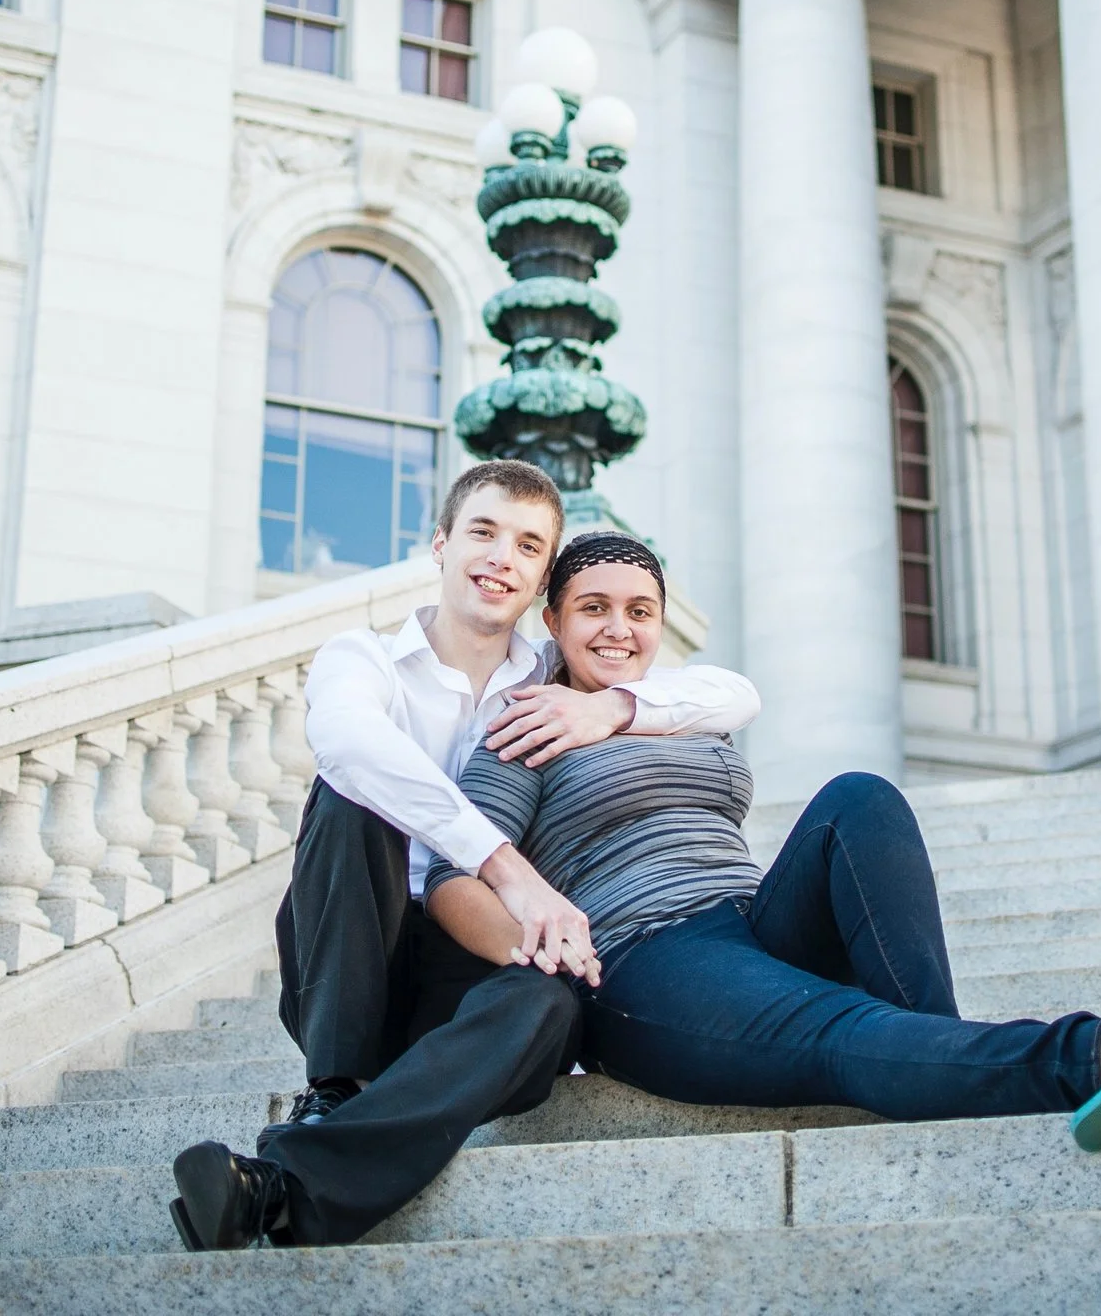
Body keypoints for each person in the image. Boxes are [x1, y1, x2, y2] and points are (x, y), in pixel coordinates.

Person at [425, 530, 1101, 1150]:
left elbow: (735, 694)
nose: (619, 629)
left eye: (640, 612)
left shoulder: (674, 709)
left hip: (751, 922)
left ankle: (940, 1059)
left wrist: (615, 709)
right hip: (649, 957)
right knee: (838, 1032)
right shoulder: (524, 723)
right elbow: (453, 879)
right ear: (553, 619)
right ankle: (1097, 1050)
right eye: (594, 609)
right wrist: (550, 953)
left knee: (857, 797)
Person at [170, 461, 759, 1250]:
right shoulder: (363, 658)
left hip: (472, 970)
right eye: (482, 532)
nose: (499, 558)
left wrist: (611, 708)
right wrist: (504, 867)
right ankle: (334, 1085)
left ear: (543, 582)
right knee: (353, 796)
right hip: (354, 954)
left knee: (551, 1005)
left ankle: (281, 1186)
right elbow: (348, 744)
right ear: (441, 544)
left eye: (526, 546)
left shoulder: (556, 681)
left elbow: (733, 696)